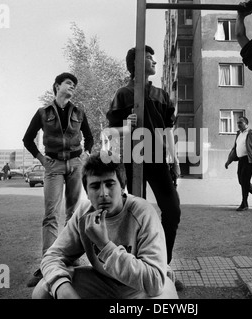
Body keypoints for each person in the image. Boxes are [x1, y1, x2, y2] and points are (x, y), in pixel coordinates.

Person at [32, 153, 178, 299]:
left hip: (140, 287)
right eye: (95, 186)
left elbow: (155, 282)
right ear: (87, 193)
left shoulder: (143, 212)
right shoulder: (84, 214)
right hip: (102, 283)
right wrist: (63, 289)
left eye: (110, 184)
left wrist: (105, 245)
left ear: (122, 187)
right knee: (43, 290)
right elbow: (52, 256)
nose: (103, 193)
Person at [106, 45, 183, 290]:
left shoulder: (161, 94)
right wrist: (126, 127)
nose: (154, 61)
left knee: (173, 211)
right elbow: (111, 133)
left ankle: (162, 265)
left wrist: (174, 158)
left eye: (153, 58)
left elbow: (167, 129)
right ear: (136, 64)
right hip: (131, 160)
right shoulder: (123, 94)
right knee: (133, 216)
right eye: (148, 58)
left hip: (158, 159)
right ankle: (133, 270)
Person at [23, 72, 94, 287]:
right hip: (53, 165)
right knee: (51, 214)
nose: (72, 86)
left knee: (73, 213)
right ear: (57, 86)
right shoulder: (43, 112)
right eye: (69, 83)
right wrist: (42, 160)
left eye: (74, 84)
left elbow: (89, 138)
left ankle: (70, 259)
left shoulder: (79, 112)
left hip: (75, 164)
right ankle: (48, 264)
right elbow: (27, 139)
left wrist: (84, 156)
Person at [224, 116, 252, 211]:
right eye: (237, 123)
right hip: (241, 160)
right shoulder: (239, 134)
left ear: (246, 123)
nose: (238, 124)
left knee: (245, 181)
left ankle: (244, 204)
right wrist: (228, 161)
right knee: (241, 181)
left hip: (249, 160)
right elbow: (235, 148)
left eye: (240, 123)